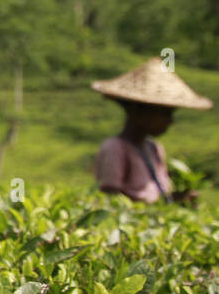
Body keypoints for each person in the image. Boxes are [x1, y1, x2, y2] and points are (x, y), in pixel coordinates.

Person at [90, 57, 213, 204]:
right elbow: (110, 202)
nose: (170, 121)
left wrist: (176, 200)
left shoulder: (154, 148)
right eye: (165, 114)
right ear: (138, 111)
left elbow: (157, 197)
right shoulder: (115, 148)